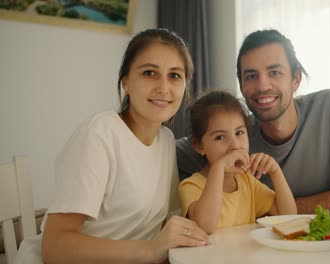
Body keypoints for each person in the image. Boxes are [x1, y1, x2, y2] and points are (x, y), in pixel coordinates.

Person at [15, 28, 209, 264]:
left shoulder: (166, 141)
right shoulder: (100, 134)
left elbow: (161, 225)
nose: (164, 87)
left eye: (175, 76)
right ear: (126, 81)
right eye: (149, 73)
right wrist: (149, 250)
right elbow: (55, 246)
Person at [176, 29, 330, 213]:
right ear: (241, 86)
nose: (262, 86)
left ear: (295, 79)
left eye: (274, 72)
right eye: (251, 76)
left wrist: (271, 209)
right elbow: (174, 148)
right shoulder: (236, 136)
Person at [178, 90, 296, 234]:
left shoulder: (247, 182)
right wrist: (218, 168)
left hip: (243, 256)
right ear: (199, 146)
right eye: (220, 137)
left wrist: (275, 171)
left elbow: (288, 216)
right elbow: (205, 226)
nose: (234, 145)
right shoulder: (191, 186)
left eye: (239, 133)